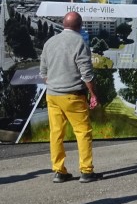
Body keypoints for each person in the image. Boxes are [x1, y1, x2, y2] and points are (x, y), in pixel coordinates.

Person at [40, 11, 100, 183]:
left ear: (63, 24)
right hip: (73, 95)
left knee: (56, 133)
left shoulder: (50, 42)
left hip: (52, 95)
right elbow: (86, 73)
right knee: (82, 132)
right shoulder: (79, 42)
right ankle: (86, 171)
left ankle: (59, 171)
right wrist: (93, 94)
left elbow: (43, 72)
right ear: (80, 26)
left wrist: (55, 84)